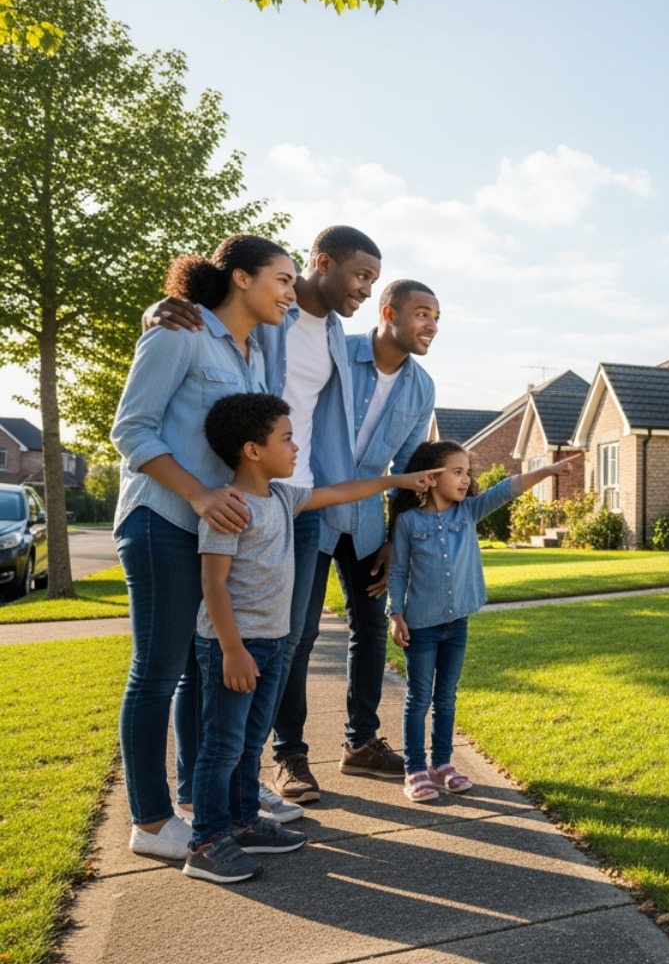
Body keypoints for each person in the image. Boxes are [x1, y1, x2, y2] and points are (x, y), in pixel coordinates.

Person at [147, 225, 382, 806]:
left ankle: (241, 784)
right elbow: (204, 330)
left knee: (290, 636)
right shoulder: (257, 321)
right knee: (214, 647)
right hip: (235, 498)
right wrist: (160, 307)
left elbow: (381, 352)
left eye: (373, 282)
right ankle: (221, 786)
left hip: (299, 497)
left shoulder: (337, 337)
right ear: (319, 264)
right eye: (359, 276)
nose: (365, 292)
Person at [184, 393, 440, 884]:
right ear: (252, 450)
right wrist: (233, 649)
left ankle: (241, 821)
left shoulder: (284, 496)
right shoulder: (229, 507)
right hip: (233, 648)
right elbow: (213, 584)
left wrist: (398, 480)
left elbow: (344, 492)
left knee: (250, 740)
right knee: (222, 745)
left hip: (273, 643)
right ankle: (206, 842)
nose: (296, 446)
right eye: (286, 438)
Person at [112, 235, 295, 860]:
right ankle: (152, 821)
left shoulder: (252, 354)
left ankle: (200, 803)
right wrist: (195, 494)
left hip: (206, 531)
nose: (290, 293)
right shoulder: (179, 332)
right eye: (281, 279)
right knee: (157, 673)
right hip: (162, 517)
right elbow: (130, 428)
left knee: (198, 671)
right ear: (241, 278)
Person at [386, 442, 573, 802]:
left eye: (467, 472)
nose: (466, 479)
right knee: (419, 697)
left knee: (446, 697)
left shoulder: (468, 512)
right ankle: (415, 770)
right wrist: (395, 615)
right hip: (421, 625)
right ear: (431, 477)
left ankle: (442, 766)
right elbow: (397, 573)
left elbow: (507, 488)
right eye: (457, 472)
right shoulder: (408, 522)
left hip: (457, 623)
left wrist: (548, 470)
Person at [321, 280, 439, 779]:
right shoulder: (337, 353)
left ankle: (361, 743)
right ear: (388, 313)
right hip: (310, 512)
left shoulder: (422, 386)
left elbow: (408, 470)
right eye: (421, 314)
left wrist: (394, 538)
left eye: (436, 318)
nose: (431, 326)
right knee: (295, 636)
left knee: (369, 630)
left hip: (367, 524)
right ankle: (289, 755)